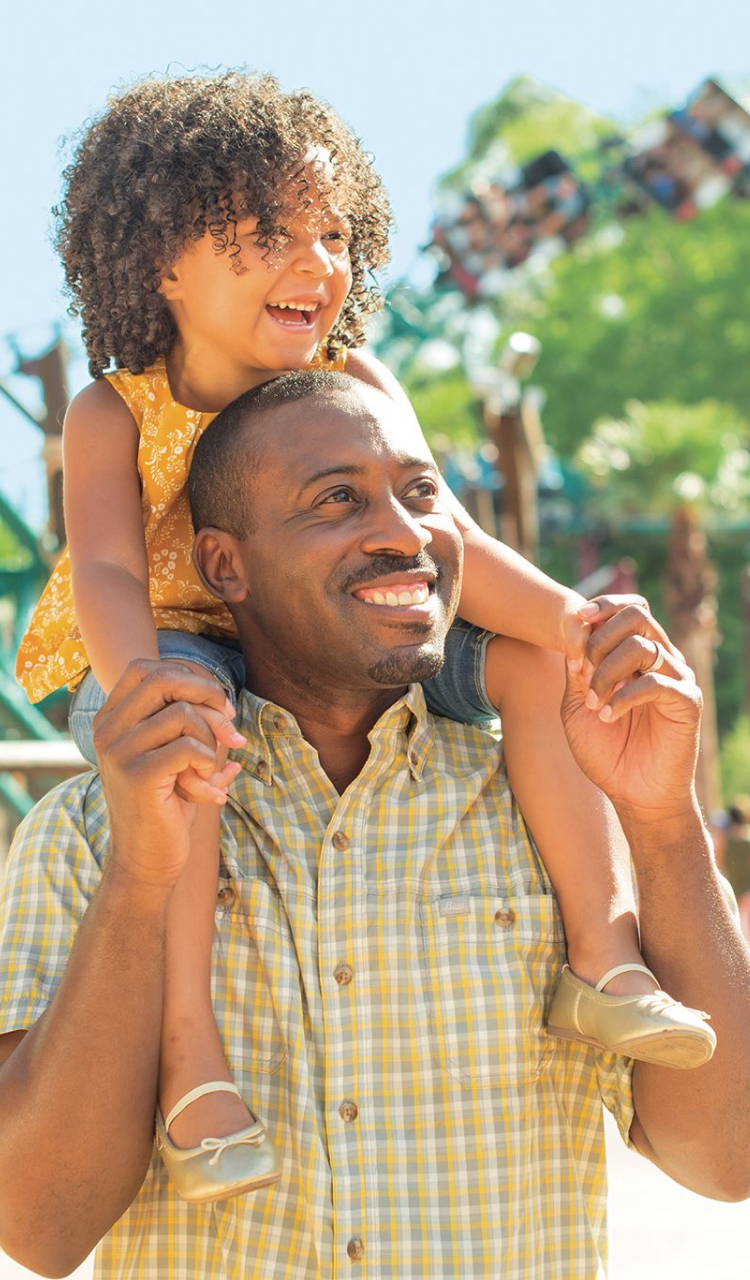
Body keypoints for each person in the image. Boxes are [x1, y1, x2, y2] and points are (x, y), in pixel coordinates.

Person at [15, 72, 710, 1198]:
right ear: (163, 264)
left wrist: (575, 624)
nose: (317, 259)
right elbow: (102, 562)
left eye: (334, 233)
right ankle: (195, 1062)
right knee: (191, 760)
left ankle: (604, 947)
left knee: (534, 659)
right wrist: (141, 682)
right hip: (182, 635)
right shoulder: (119, 405)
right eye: (267, 233)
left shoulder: (358, 380)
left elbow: (452, 543)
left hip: (354, 627)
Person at [0, 371, 748, 1279]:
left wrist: (663, 819)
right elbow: (38, 1230)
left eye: (423, 491)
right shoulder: (84, 839)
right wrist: (142, 882)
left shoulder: (564, 815)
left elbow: (725, 1159)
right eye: (338, 500)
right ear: (223, 565)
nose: (406, 532)